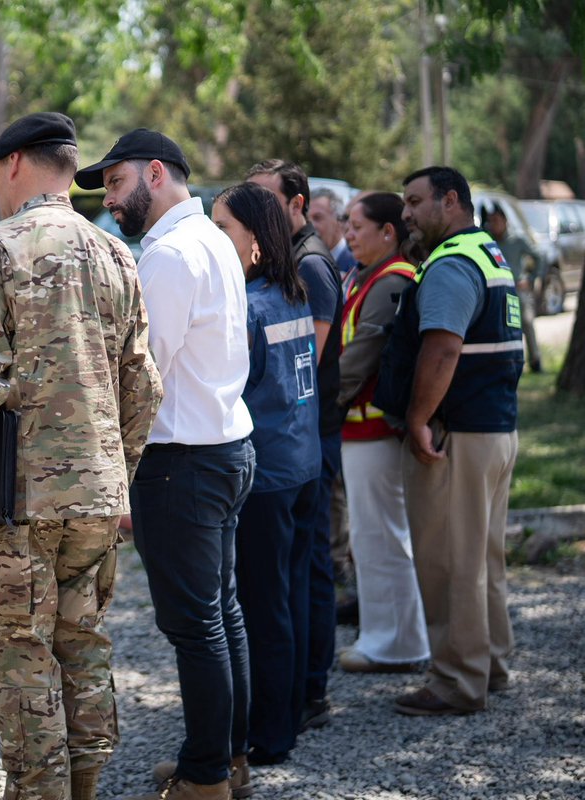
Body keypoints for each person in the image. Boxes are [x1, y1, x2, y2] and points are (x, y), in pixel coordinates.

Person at [0, 113, 162, 800]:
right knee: (81, 645)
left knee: (18, 658)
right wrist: (117, 474)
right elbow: (142, 383)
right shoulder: (116, 253)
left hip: (17, 500)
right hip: (95, 495)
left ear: (13, 164)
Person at [77, 129, 255, 800]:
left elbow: (140, 377)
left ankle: (206, 778)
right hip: (223, 447)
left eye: (116, 182)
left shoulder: (169, 254)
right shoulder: (211, 238)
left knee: (197, 626)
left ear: (156, 173)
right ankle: (225, 759)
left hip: (184, 462)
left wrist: (111, 472)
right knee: (221, 615)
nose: (109, 199)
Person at [375, 166, 522, 716]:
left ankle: (458, 681)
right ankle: (491, 664)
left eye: (415, 202)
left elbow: (443, 347)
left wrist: (417, 418)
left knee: (451, 562)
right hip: (493, 429)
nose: (406, 213)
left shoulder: (452, 262)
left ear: (451, 200)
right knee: (482, 559)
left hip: (456, 434)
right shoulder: (488, 253)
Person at [213, 183, 320, 769]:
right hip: (302, 463)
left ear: (254, 237)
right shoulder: (292, 292)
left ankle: (271, 733)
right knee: (291, 596)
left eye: (223, 228)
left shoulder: (249, 306)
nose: (214, 239)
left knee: (264, 605)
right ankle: (292, 708)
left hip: (269, 475)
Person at [246, 159, 342, 733]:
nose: (259, 213)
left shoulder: (307, 267)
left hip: (301, 440)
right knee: (294, 579)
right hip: (298, 442)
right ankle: (296, 696)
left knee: (301, 577)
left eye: (266, 200)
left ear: (296, 203)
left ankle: (305, 694)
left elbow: (303, 364)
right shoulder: (288, 268)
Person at [337, 193, 429, 673]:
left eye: (357, 226)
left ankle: (398, 643)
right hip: (361, 430)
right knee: (372, 537)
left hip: (373, 430)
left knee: (382, 537)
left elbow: (361, 355)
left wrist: (321, 404)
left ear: (388, 232)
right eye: (347, 225)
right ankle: (385, 636)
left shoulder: (391, 279)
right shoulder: (369, 276)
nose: (348, 234)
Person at [485, 205, 542, 372]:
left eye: (496, 220)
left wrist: (530, 278)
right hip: (497, 290)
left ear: (505, 221)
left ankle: (535, 360)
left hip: (517, 289)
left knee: (527, 322)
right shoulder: (488, 242)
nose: (493, 225)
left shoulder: (517, 240)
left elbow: (538, 257)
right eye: (490, 221)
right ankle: (509, 362)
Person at [310, 188, 357, 275]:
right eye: (307, 219)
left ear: (339, 221)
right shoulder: (307, 261)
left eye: (317, 218)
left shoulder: (355, 265)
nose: (311, 225)